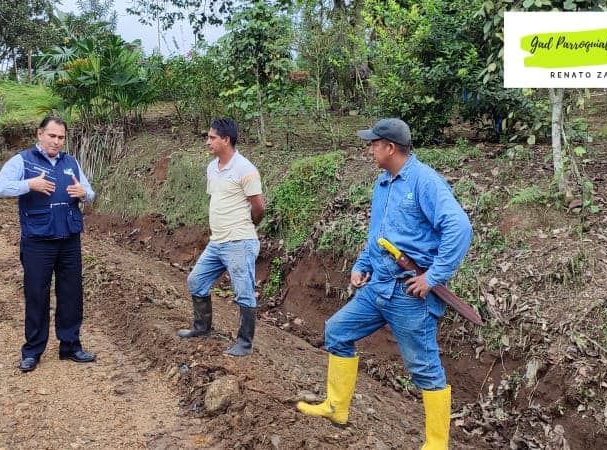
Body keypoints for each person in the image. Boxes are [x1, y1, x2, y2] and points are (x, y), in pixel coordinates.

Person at [296, 118, 472, 449]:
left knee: (424, 368)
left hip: (408, 293)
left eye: (373, 144)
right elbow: (378, 236)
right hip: (377, 286)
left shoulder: (424, 182)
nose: (369, 150)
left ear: (390, 147)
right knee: (337, 331)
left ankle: (436, 444)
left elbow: (459, 228)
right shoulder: (383, 183)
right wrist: (362, 265)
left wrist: (432, 277)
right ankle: (336, 408)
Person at [0, 116, 97, 373]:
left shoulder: (70, 162)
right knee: (37, 295)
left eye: (61, 137)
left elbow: (90, 192)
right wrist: (29, 184)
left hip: (69, 239)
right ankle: (32, 351)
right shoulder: (22, 161)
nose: (57, 142)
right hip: (38, 241)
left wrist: (84, 194)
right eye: (52, 136)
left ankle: (70, 346)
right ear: (40, 134)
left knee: (71, 294)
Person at [177, 117, 266, 357]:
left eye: (212, 138)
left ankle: (244, 343)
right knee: (196, 281)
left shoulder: (245, 169)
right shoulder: (212, 168)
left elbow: (259, 207)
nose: (208, 142)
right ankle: (201, 328)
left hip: (239, 241)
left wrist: (245, 227)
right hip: (217, 241)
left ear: (226, 140)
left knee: (243, 291)